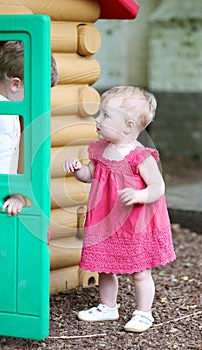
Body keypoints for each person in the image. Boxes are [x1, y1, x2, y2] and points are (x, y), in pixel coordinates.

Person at [63, 86, 176, 332]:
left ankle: (144, 313)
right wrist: (78, 170)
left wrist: (138, 194)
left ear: (128, 126)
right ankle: (108, 306)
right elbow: (90, 176)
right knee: (105, 267)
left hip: (133, 225)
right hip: (105, 222)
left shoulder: (140, 156)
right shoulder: (101, 150)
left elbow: (158, 187)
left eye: (105, 115)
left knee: (140, 271)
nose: (97, 120)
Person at [0, 41, 58, 215]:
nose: (38, 99)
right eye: (35, 92)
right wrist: (15, 195)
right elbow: (1, 160)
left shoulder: (1, 107)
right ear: (15, 84)